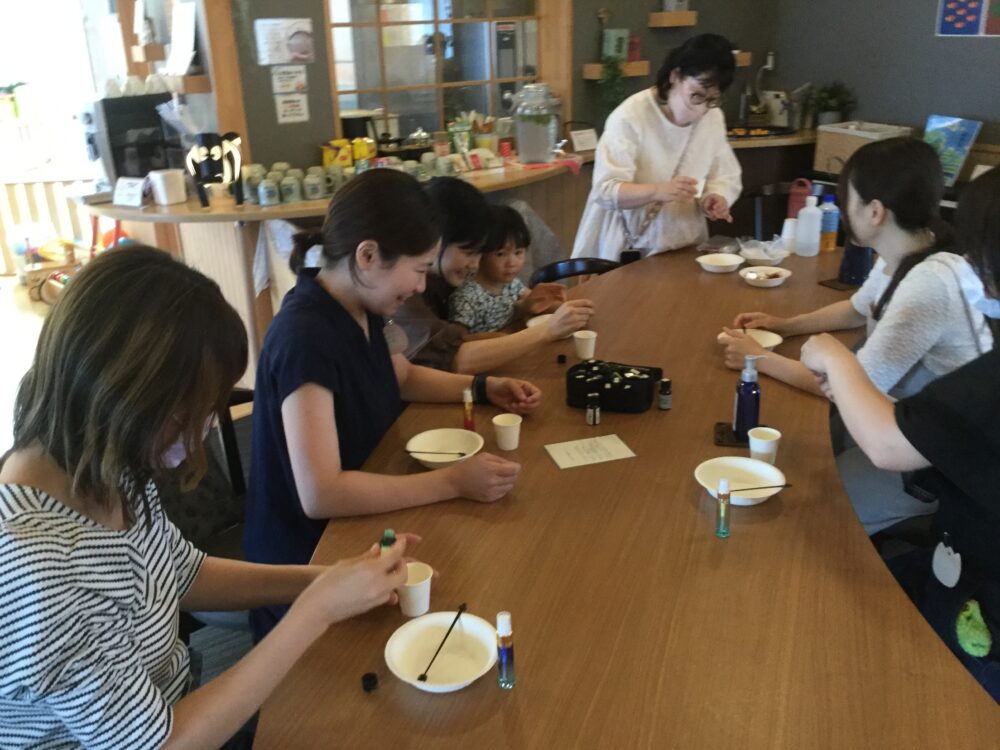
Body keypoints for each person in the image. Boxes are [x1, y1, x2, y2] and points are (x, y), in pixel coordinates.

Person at [0, 247, 416, 749]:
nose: (197, 435)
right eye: (183, 415)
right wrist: (316, 610)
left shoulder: (105, 463)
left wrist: (326, 579)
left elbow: (179, 572)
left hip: (177, 704)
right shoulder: (37, 570)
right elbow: (158, 744)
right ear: (117, 392)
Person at [244, 170, 541, 639]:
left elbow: (401, 376)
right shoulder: (305, 337)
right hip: (310, 562)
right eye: (419, 269)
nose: (422, 286)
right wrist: (451, 482)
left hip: (365, 516)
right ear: (367, 256)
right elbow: (322, 493)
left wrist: (484, 387)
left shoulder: (360, 306)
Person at [797, 166, 1000, 702]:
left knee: (813, 510)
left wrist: (836, 359)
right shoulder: (906, 264)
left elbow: (889, 446)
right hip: (960, 536)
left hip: (981, 598)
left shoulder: (933, 280)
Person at [720, 138, 992, 534]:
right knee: (793, 460)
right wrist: (785, 324)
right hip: (904, 421)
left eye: (847, 198)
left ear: (876, 211)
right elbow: (856, 308)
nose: (844, 208)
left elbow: (852, 384)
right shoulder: (910, 248)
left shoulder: (930, 282)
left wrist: (757, 358)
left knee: (801, 515)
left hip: (932, 463)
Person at [571, 33, 742, 261]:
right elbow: (606, 189)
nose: (701, 109)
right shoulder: (631, 116)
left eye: (712, 100)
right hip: (629, 245)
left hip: (684, 242)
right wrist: (658, 191)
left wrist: (715, 198)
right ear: (675, 76)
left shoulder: (713, 118)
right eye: (696, 96)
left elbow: (724, 175)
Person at [395, 177, 594, 372]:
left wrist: (524, 307)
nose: (475, 265)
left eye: (479, 253)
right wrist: (546, 330)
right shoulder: (408, 294)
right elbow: (457, 360)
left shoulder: (444, 277)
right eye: (468, 252)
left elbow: (460, 340)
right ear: (436, 239)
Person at [449, 205, 562, 333]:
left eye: (518, 252)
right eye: (500, 254)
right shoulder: (467, 297)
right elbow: (458, 340)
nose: (511, 263)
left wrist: (564, 306)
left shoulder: (511, 284)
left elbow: (536, 302)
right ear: (480, 253)